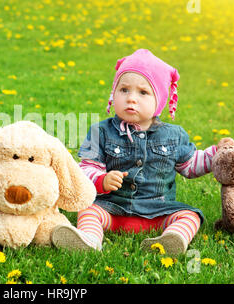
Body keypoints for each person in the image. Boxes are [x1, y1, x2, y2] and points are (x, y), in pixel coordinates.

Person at [52, 49, 217, 255]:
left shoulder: (174, 135)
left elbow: (191, 165)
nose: (131, 99)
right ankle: (90, 240)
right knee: (88, 209)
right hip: (113, 210)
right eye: (124, 90)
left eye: (143, 92)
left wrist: (217, 156)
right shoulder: (100, 131)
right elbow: (86, 168)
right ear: (114, 93)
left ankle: (171, 240)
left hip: (157, 213)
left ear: (160, 100)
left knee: (190, 215)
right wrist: (101, 180)